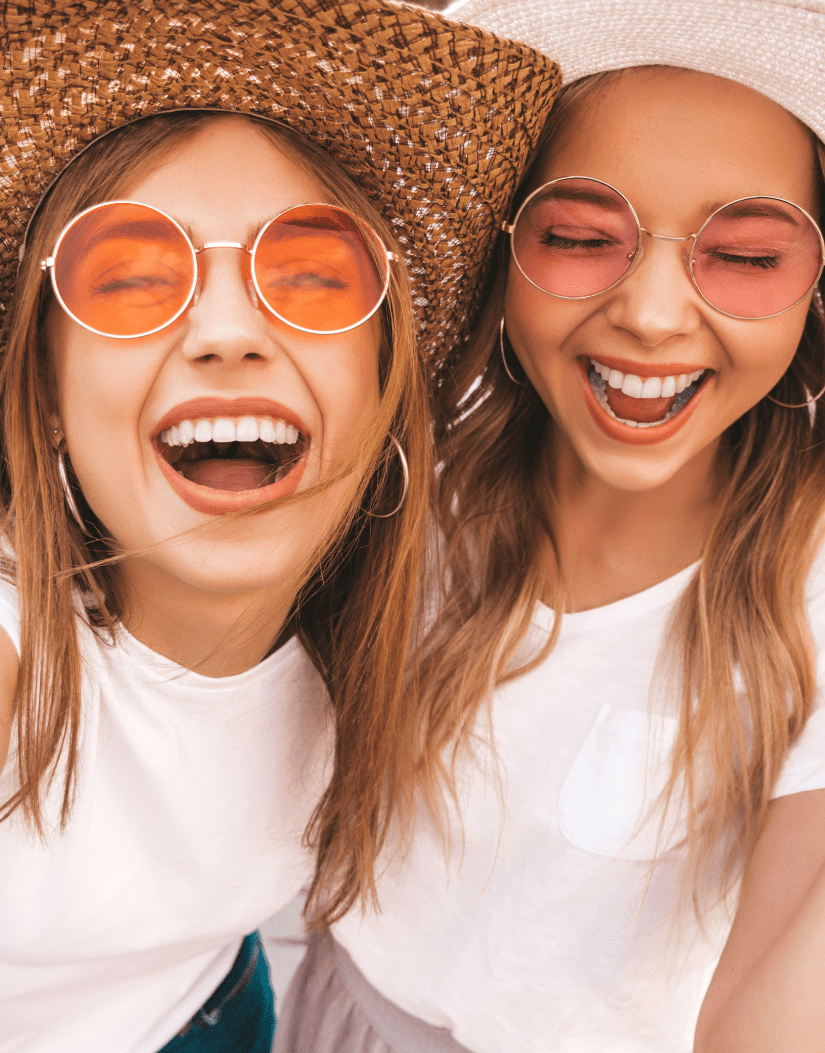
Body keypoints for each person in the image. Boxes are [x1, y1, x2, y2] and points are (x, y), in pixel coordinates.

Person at [0, 1, 561, 1050]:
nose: (226, 331)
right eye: (129, 281)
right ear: (44, 394)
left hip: (216, 1004)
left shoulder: (421, 597)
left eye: (310, 277)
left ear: (385, 382)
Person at [274, 1, 825, 1051]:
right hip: (336, 1009)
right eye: (578, 237)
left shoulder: (810, 594)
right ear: (506, 245)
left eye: (749, 257)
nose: (652, 315)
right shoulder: (409, 474)